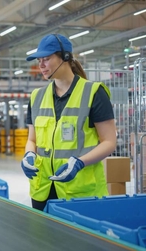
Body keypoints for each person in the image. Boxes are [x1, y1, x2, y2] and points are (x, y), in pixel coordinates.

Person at [22, 34, 117, 211]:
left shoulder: (94, 93)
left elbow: (109, 142)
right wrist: (29, 155)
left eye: (46, 59)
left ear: (65, 57)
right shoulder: (36, 97)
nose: (40, 65)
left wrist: (79, 162)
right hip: (43, 189)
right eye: (39, 60)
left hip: (80, 192)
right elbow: (32, 140)